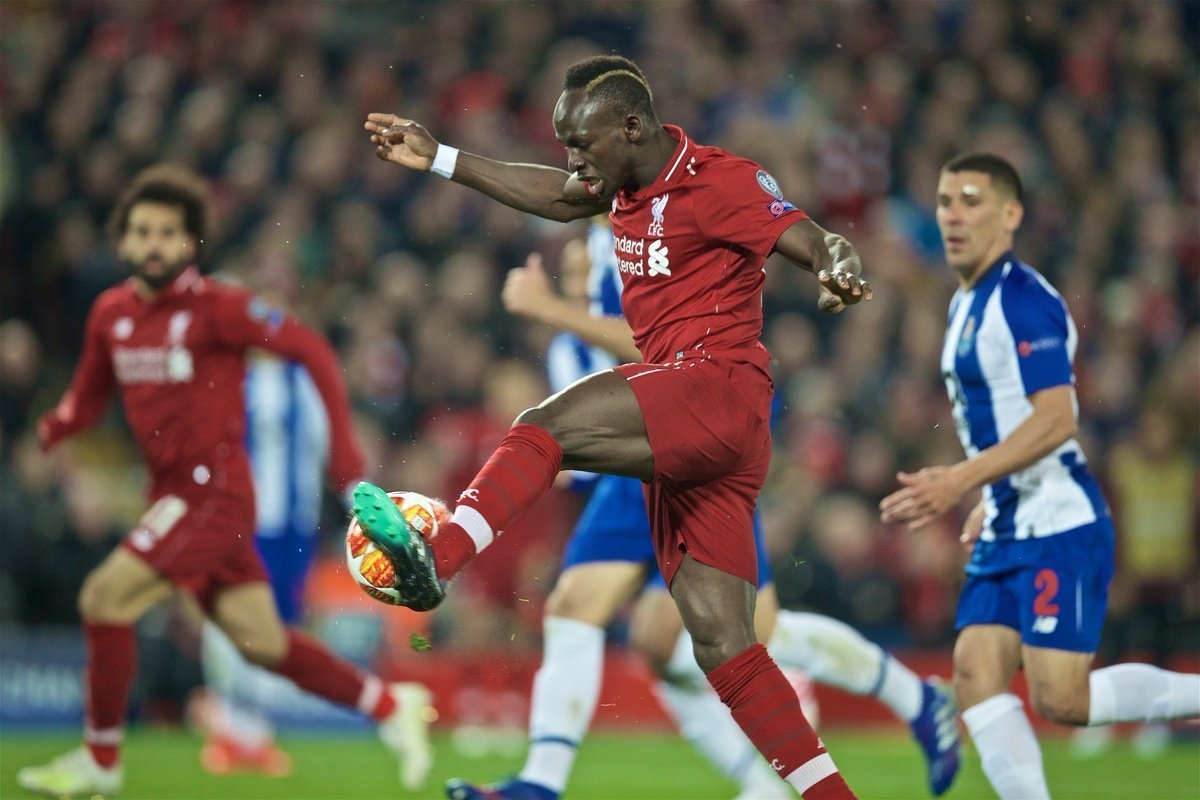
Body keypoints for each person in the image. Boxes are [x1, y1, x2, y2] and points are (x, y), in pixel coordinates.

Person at [356, 55, 871, 799]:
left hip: (715, 388)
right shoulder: (617, 184)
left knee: (544, 426)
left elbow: (812, 237)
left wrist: (837, 266)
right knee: (725, 646)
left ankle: (440, 558)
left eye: (582, 142)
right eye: (565, 143)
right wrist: (438, 157)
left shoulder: (718, 179)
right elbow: (555, 195)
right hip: (694, 435)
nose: (573, 159)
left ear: (632, 126)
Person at [446, 225, 959, 800]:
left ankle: (913, 699)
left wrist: (551, 308)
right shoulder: (593, 268)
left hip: (693, 447)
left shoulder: (647, 232)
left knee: (750, 633)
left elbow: (663, 351)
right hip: (635, 470)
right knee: (623, 627)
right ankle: (545, 783)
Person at [16, 164, 434, 798]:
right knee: (263, 642)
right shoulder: (111, 314)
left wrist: (347, 460)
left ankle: (100, 761)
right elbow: (89, 395)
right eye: (141, 232)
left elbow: (312, 350)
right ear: (123, 241)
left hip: (212, 492)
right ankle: (390, 705)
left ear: (190, 242)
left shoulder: (220, 308)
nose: (154, 244)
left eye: (168, 233)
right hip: (173, 494)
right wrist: (56, 428)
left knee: (105, 597)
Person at [879, 152, 1200, 799]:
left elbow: (1057, 418)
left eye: (972, 201)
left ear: (1011, 214)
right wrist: (992, 492)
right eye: (945, 202)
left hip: (1057, 521)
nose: (953, 216)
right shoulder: (964, 304)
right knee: (975, 673)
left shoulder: (1023, 301)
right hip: (1011, 516)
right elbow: (1007, 420)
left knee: (1063, 698)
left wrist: (961, 479)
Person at [189, 354, 330, 777]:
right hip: (239, 521)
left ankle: (255, 733)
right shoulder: (227, 377)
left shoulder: (301, 379)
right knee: (228, 618)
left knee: (277, 626)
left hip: (291, 525)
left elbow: (322, 444)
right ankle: (229, 728)